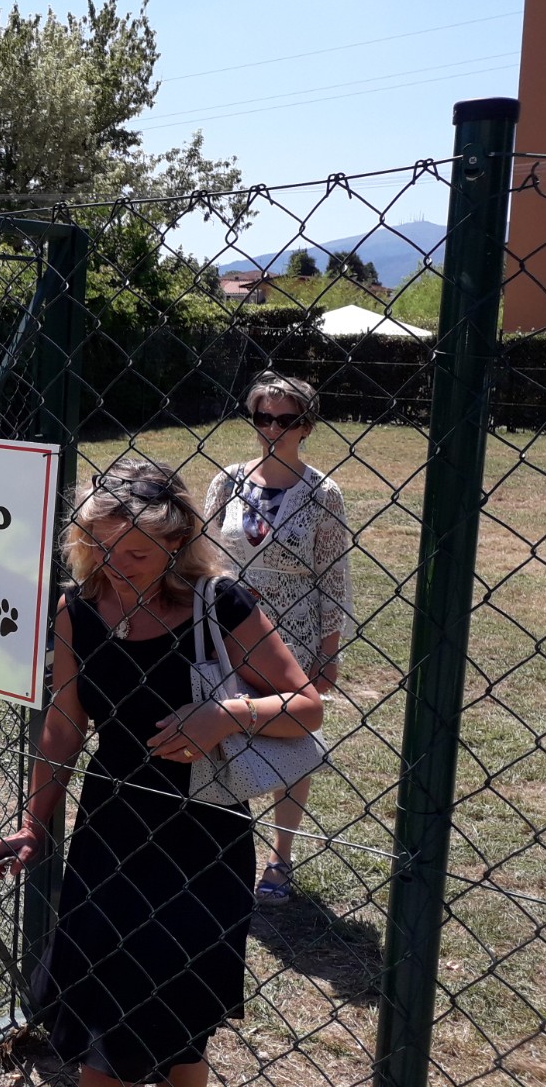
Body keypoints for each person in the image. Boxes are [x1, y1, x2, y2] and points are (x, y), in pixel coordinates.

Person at [0, 459, 322, 1087]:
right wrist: (34, 823)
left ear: (177, 542)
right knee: (105, 1024)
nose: (118, 565)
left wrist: (225, 716)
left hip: (202, 832)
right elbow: (63, 724)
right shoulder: (78, 610)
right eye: (102, 549)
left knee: (181, 1032)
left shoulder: (218, 603)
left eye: (137, 551)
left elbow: (306, 707)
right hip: (111, 829)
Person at [204, 372, 353, 905]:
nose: (271, 428)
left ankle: (280, 857)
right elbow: (205, 554)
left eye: (284, 420)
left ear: (306, 426)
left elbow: (333, 577)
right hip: (226, 626)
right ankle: (221, 843)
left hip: (294, 631)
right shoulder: (226, 481)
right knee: (223, 728)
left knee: (290, 738)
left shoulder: (323, 493)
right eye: (262, 417)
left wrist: (328, 653)